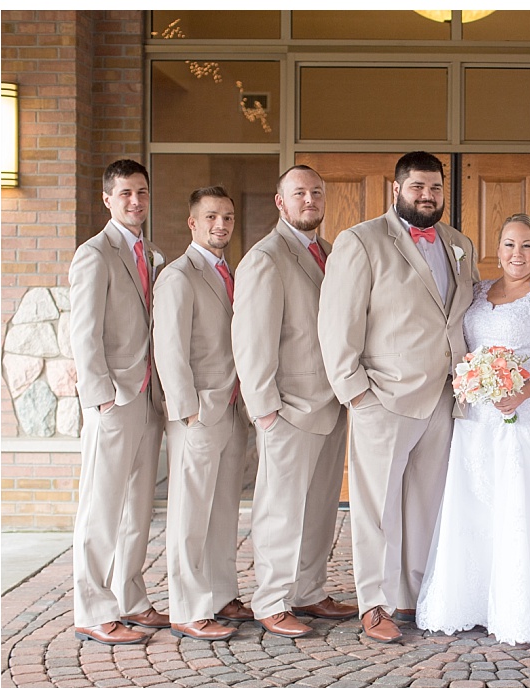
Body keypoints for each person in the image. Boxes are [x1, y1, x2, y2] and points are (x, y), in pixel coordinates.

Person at [318, 152, 479, 643]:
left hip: (445, 398)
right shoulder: (361, 241)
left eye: (434, 188)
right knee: (376, 508)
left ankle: (414, 597)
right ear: (396, 188)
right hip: (383, 398)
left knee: (427, 503)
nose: (426, 196)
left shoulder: (458, 244)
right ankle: (375, 603)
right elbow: (337, 322)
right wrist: (356, 393)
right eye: (416, 187)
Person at [417, 214, 530, 649]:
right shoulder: (477, 293)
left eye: (528, 246)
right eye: (511, 245)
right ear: (498, 249)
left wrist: (524, 391)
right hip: (479, 420)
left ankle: (523, 607)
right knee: (480, 502)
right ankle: (476, 601)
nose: (518, 254)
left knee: (525, 505)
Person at [232, 165, 356, 639]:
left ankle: (309, 589)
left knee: (321, 506)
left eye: (317, 192)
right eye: (299, 193)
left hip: (331, 401)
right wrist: (264, 408)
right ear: (280, 202)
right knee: (280, 508)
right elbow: (251, 341)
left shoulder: (330, 253)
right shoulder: (265, 258)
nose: (310, 200)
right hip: (287, 407)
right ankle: (271, 598)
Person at [69, 160, 168, 645]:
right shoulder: (95, 253)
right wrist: (101, 399)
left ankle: (129, 596)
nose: (135, 201)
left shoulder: (153, 254)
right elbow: (83, 333)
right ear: (107, 199)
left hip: (149, 397)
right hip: (114, 400)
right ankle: (91, 607)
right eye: (126, 193)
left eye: (142, 193)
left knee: (137, 508)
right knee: (101, 507)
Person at [152, 186, 252, 641]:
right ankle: (187, 607)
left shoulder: (230, 271)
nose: (221, 225)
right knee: (190, 513)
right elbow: (169, 350)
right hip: (199, 411)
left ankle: (220, 593)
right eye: (212, 217)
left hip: (232, 407)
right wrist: (187, 412)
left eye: (228, 217)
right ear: (193, 222)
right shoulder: (178, 275)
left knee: (223, 508)